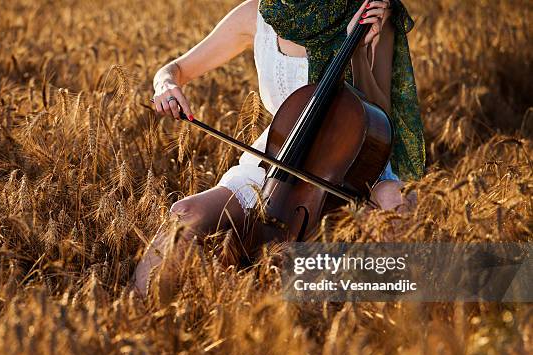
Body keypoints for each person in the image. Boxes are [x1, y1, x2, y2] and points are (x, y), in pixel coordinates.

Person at [135, 0, 426, 296]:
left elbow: (379, 113)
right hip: (278, 155)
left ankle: (392, 318)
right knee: (185, 213)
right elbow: (176, 69)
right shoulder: (255, 14)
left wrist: (358, 54)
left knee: (398, 205)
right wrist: (166, 85)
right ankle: (141, 314)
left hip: (350, 158)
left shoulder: (371, 11)